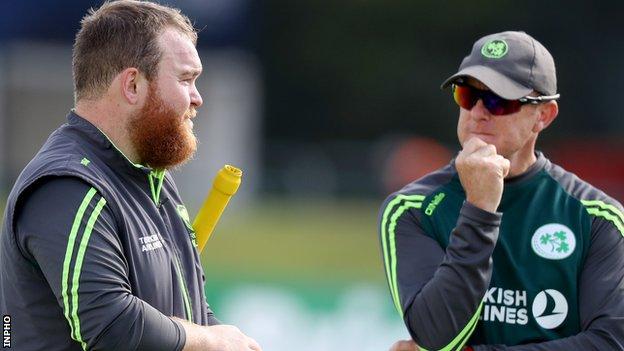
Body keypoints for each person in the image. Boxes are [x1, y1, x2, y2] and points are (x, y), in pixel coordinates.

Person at [0, 1, 261, 350]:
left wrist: (224, 338)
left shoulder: (150, 176)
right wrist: (209, 340)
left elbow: (185, 307)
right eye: (185, 79)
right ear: (133, 86)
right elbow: (110, 325)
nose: (197, 98)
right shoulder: (68, 187)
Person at [379, 31, 624, 350]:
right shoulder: (411, 208)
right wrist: (479, 209)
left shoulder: (596, 216)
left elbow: (611, 342)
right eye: (468, 95)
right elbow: (436, 336)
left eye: (499, 100)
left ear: (543, 115)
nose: (479, 112)